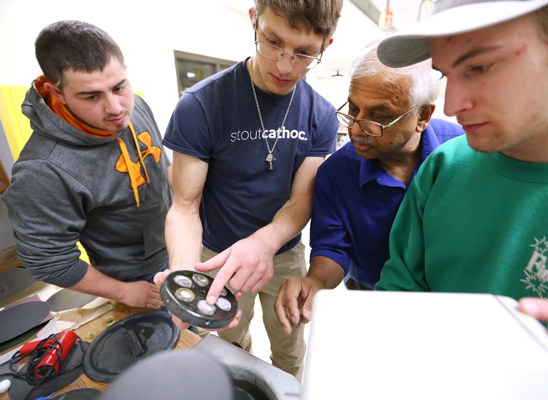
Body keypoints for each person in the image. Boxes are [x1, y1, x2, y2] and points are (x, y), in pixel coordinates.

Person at [373, 0, 548, 378]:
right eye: (447, 74)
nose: (451, 106)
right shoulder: (443, 169)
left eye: (479, 66)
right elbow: (399, 297)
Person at [154, 0, 343, 380]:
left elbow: (302, 199)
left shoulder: (320, 114)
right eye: (273, 42)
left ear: (327, 46)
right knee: (228, 352)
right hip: (216, 254)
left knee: (290, 348)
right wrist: (183, 277)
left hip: (285, 254)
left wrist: (263, 244)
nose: (285, 66)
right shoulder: (201, 106)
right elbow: (185, 207)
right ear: (254, 21)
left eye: (305, 53)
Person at [274, 46, 464, 334]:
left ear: (422, 116)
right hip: (370, 290)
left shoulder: (464, 152)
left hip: (452, 293)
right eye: (353, 109)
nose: (357, 129)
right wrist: (316, 281)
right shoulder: (335, 173)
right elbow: (334, 248)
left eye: (379, 116)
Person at [1, 20, 172, 309]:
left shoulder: (134, 106)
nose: (116, 108)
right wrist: (125, 292)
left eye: (119, 87)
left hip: (176, 247)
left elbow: (162, 168)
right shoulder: (43, 169)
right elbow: (49, 262)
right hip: (130, 278)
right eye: (91, 96)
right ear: (58, 94)